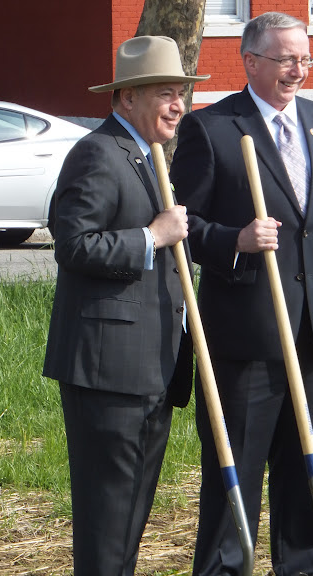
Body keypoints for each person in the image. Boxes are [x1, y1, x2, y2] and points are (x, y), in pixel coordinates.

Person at [170, 12, 313, 576]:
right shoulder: (214, 128)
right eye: (287, 58)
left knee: (308, 468)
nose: (298, 70)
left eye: (305, 59)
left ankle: (304, 566)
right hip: (246, 337)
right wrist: (235, 239)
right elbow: (181, 229)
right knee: (234, 470)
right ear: (250, 61)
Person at [42, 35, 209, 576]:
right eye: (165, 93)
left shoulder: (149, 155)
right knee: (107, 511)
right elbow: (72, 245)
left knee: (133, 507)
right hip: (108, 368)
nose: (178, 105)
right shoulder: (98, 152)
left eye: (180, 93)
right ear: (127, 98)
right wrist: (152, 236)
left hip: (153, 364)